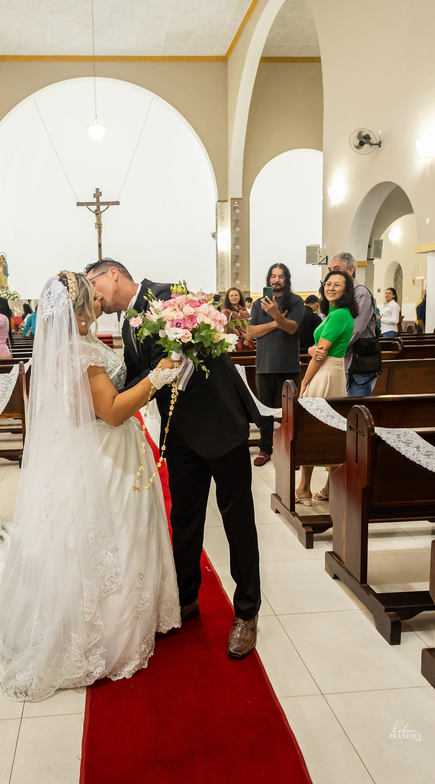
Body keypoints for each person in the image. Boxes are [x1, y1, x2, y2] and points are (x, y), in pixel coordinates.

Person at [0, 272, 182, 702]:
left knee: (86, 547)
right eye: (92, 299)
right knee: (111, 543)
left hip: (78, 450)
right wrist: (159, 377)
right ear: (78, 309)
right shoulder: (79, 352)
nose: (99, 305)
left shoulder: (63, 350)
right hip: (102, 455)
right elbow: (110, 411)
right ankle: (108, 632)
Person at [87, 258, 264, 659]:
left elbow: (195, 353)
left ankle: (247, 613)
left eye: (93, 285)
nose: (95, 296)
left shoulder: (168, 297)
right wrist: (104, 404)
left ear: (112, 273)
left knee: (237, 520)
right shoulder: (127, 323)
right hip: (179, 433)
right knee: (184, 517)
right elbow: (139, 376)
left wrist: (166, 368)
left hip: (219, 423)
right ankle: (185, 599)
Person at [296, 271, 357, 500]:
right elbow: (318, 349)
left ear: (346, 290)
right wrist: (313, 349)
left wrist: (304, 381)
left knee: (317, 430)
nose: (331, 287)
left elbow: (321, 354)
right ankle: (316, 488)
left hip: (326, 372)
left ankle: (306, 488)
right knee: (324, 429)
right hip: (330, 369)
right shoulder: (333, 313)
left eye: (337, 284)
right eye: (328, 283)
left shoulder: (340, 314)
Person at [247, 263, 304, 467]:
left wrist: (275, 314)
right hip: (264, 364)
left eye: (280, 276)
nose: (276, 280)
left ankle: (291, 449)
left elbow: (291, 329)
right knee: (265, 410)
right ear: (268, 279)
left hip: (288, 364)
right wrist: (275, 321)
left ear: (286, 280)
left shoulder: (296, 301)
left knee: (289, 411)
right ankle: (265, 449)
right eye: (273, 276)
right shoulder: (258, 303)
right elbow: (250, 332)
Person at [319, 252, 378, 397]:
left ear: (351, 270)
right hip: (339, 362)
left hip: (357, 364)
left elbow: (353, 331)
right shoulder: (336, 294)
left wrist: (326, 348)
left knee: (355, 412)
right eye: (330, 270)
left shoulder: (361, 294)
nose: (332, 273)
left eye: (336, 268)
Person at [222, 286, 251, 351]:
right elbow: (228, 328)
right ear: (228, 298)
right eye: (231, 296)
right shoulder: (225, 312)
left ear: (240, 297)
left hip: (247, 342)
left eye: (236, 295)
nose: (234, 297)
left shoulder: (245, 311)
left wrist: (248, 338)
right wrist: (244, 336)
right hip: (232, 343)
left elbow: (249, 325)